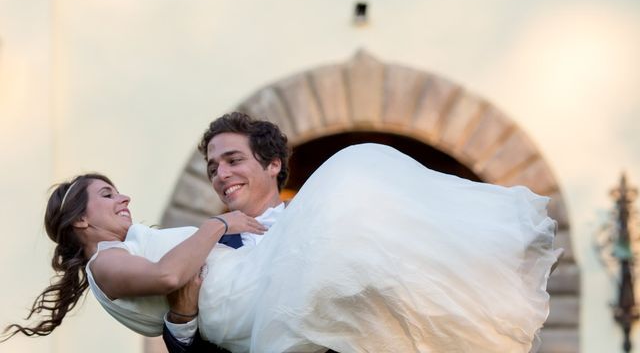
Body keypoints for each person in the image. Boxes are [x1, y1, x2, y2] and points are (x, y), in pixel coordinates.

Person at [3, 141, 560, 352]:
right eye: (107, 195)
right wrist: (219, 227)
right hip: (253, 303)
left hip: (263, 283)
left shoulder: (288, 220)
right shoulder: (109, 263)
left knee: (362, 194)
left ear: (272, 166)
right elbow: (174, 281)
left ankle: (482, 279)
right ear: (80, 221)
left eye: (233, 161)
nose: (124, 198)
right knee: (354, 179)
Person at [163, 113, 291, 353]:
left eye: (233, 161)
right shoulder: (204, 251)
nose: (220, 175)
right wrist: (182, 319)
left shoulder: (313, 221)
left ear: (273, 164)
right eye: (213, 169)